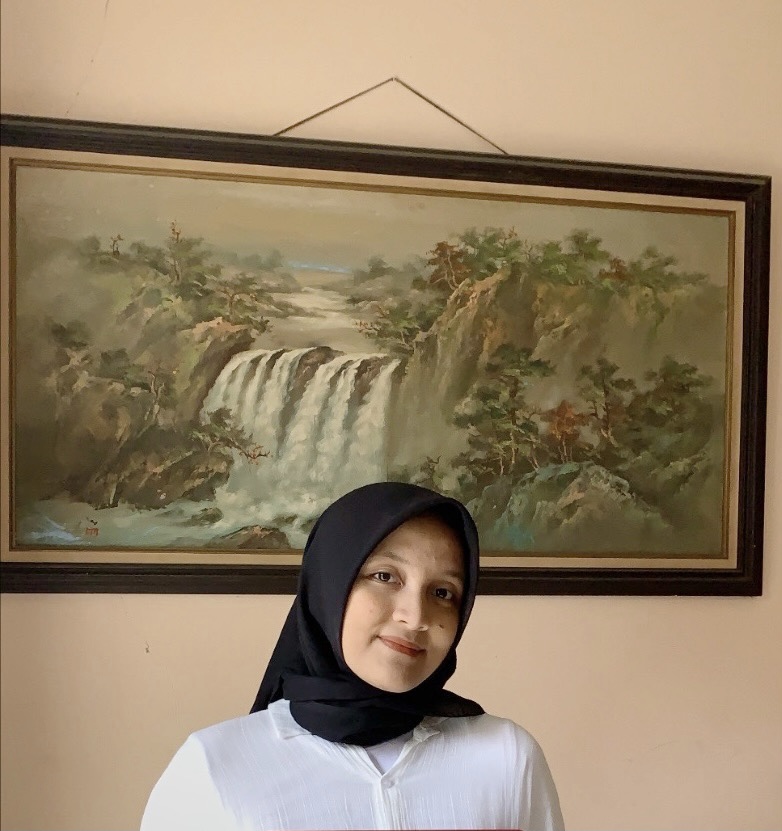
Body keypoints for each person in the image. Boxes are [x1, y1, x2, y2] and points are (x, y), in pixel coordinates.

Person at [140, 482, 564, 830]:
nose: (416, 617)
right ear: (329, 586)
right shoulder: (214, 767)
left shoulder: (506, 758)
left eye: (442, 592)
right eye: (385, 576)